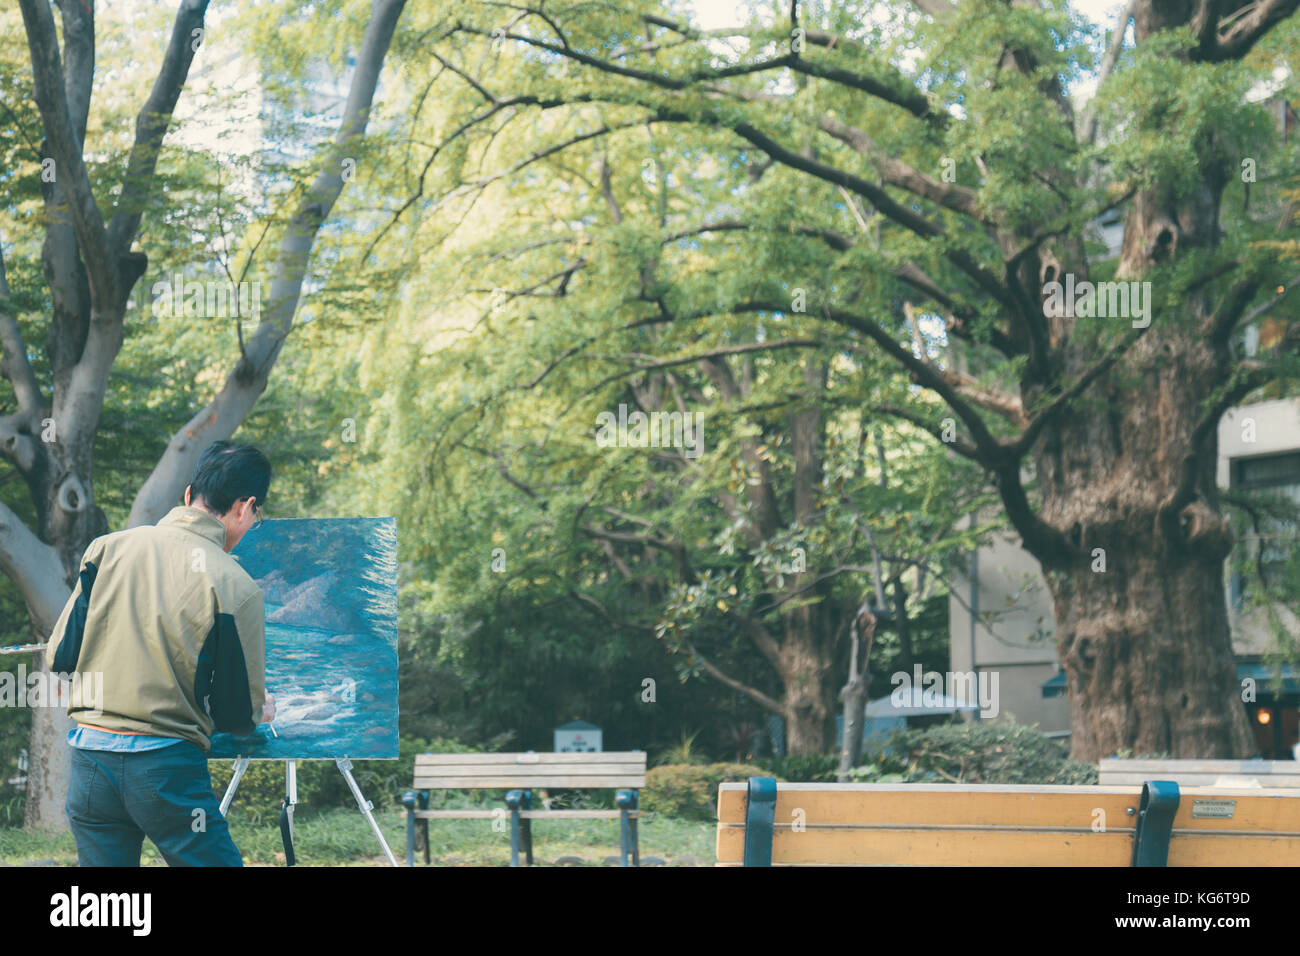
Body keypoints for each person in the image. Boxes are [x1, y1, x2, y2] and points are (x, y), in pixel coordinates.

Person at [45, 440, 275, 866]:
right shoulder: (236, 586)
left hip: (90, 764)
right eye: (254, 517)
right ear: (245, 507)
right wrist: (259, 710)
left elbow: (59, 655)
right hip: (165, 772)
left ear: (189, 497)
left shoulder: (105, 550)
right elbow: (236, 719)